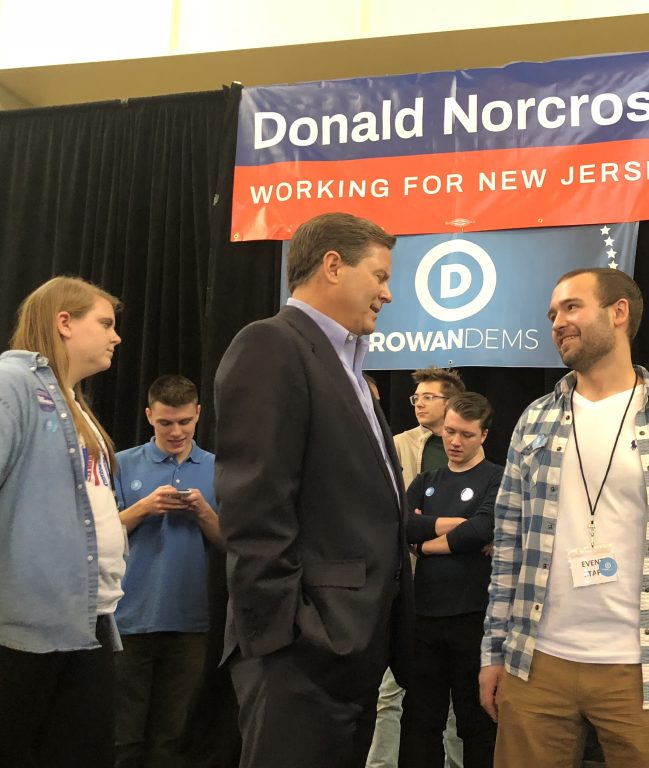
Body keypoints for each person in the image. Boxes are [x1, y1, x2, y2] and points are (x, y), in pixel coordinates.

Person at [479, 267, 649, 767]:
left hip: (645, 668)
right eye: (553, 313)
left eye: (572, 307)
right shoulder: (535, 418)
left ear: (619, 313)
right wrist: (494, 653)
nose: (558, 321)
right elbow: (507, 548)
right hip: (536, 661)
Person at [214, 212, 413, 768]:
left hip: (349, 652)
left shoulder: (347, 368)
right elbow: (254, 507)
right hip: (300, 655)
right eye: (378, 276)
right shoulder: (272, 346)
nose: (388, 293)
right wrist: (293, 636)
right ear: (332, 266)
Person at [0, 275, 126, 768]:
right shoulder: (14, 384)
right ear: (65, 323)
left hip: (83, 621)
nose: (116, 337)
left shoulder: (75, 403)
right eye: (106, 324)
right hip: (23, 627)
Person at [112, 374, 222, 767]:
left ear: (198, 414)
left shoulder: (217, 468)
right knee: (123, 735)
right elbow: (100, 532)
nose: (176, 432)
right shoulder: (122, 463)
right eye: (165, 423)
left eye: (184, 422)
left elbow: (232, 542)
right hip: (129, 617)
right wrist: (145, 507)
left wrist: (204, 512)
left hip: (190, 619)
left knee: (171, 735)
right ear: (148, 416)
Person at [371, 366, 467, 768]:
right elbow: (395, 516)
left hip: (451, 588)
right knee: (387, 691)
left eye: (429, 396)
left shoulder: (469, 449)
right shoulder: (396, 445)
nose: (419, 403)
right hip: (400, 584)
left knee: (453, 698)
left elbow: (480, 523)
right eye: (416, 397)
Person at [400, 392, 501, 768]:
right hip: (424, 616)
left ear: (484, 436)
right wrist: (458, 528)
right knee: (420, 721)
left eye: (467, 435)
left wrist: (424, 547)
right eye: (450, 432)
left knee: (476, 721)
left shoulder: (496, 477)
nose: (456, 442)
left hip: (473, 617)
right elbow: (404, 524)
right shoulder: (427, 479)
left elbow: (483, 528)